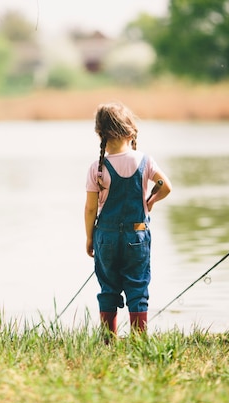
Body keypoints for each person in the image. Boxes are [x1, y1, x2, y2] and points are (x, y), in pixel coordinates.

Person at [84, 102, 171, 341]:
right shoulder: (144, 161)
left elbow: (91, 207)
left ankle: (107, 340)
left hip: (107, 237)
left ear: (99, 134)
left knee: (108, 288)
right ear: (130, 132)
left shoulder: (98, 168)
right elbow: (166, 186)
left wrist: (90, 237)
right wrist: (151, 200)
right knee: (137, 287)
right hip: (137, 236)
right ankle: (139, 340)